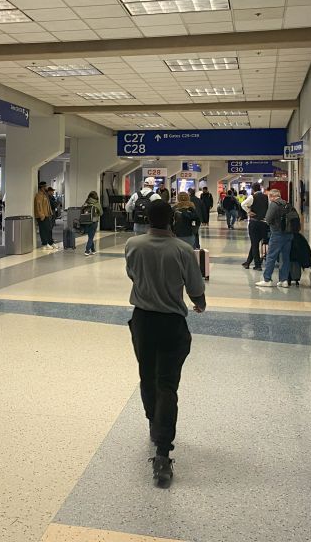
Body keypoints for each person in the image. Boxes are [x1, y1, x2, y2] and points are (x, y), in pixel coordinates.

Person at [124, 199, 206, 489]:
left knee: (147, 375)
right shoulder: (183, 250)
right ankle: (162, 452)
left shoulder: (133, 244)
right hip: (172, 324)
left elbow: (132, 275)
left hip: (143, 322)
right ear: (172, 220)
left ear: (147, 219)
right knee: (167, 384)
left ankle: (152, 421)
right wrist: (199, 302)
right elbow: (195, 287)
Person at [256, 189, 295, 289]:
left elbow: (268, 219)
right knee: (285, 257)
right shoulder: (287, 203)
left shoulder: (274, 204)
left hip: (277, 234)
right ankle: (284, 280)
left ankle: (267, 279)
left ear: (272, 196)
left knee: (271, 256)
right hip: (289, 234)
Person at [34, 181, 56, 250]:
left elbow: (48, 205)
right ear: (41, 188)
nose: (46, 188)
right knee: (43, 230)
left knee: (49, 229)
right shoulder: (38, 195)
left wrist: (50, 213)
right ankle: (45, 244)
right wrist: (41, 215)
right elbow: (39, 206)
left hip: (47, 215)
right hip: (42, 216)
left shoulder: (44, 195)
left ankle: (50, 242)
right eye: (45, 187)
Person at [80, 190, 101, 256]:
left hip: (86, 222)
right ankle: (87, 250)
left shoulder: (86, 202)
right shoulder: (97, 203)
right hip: (94, 222)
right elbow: (101, 213)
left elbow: (81, 210)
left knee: (90, 236)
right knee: (91, 237)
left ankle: (93, 250)